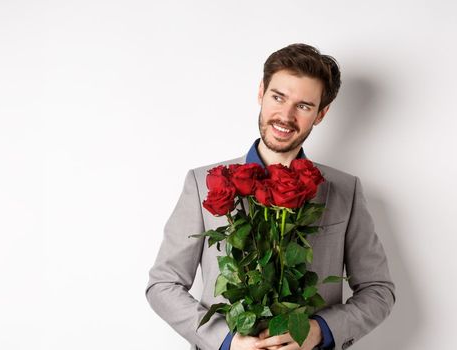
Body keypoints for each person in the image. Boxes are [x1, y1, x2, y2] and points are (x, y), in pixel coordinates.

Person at [145, 43, 395, 350]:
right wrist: (226, 341)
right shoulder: (202, 182)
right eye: (278, 97)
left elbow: (378, 290)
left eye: (303, 106)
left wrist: (318, 332)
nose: (285, 115)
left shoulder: (345, 190)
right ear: (261, 92)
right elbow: (163, 285)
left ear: (321, 113)